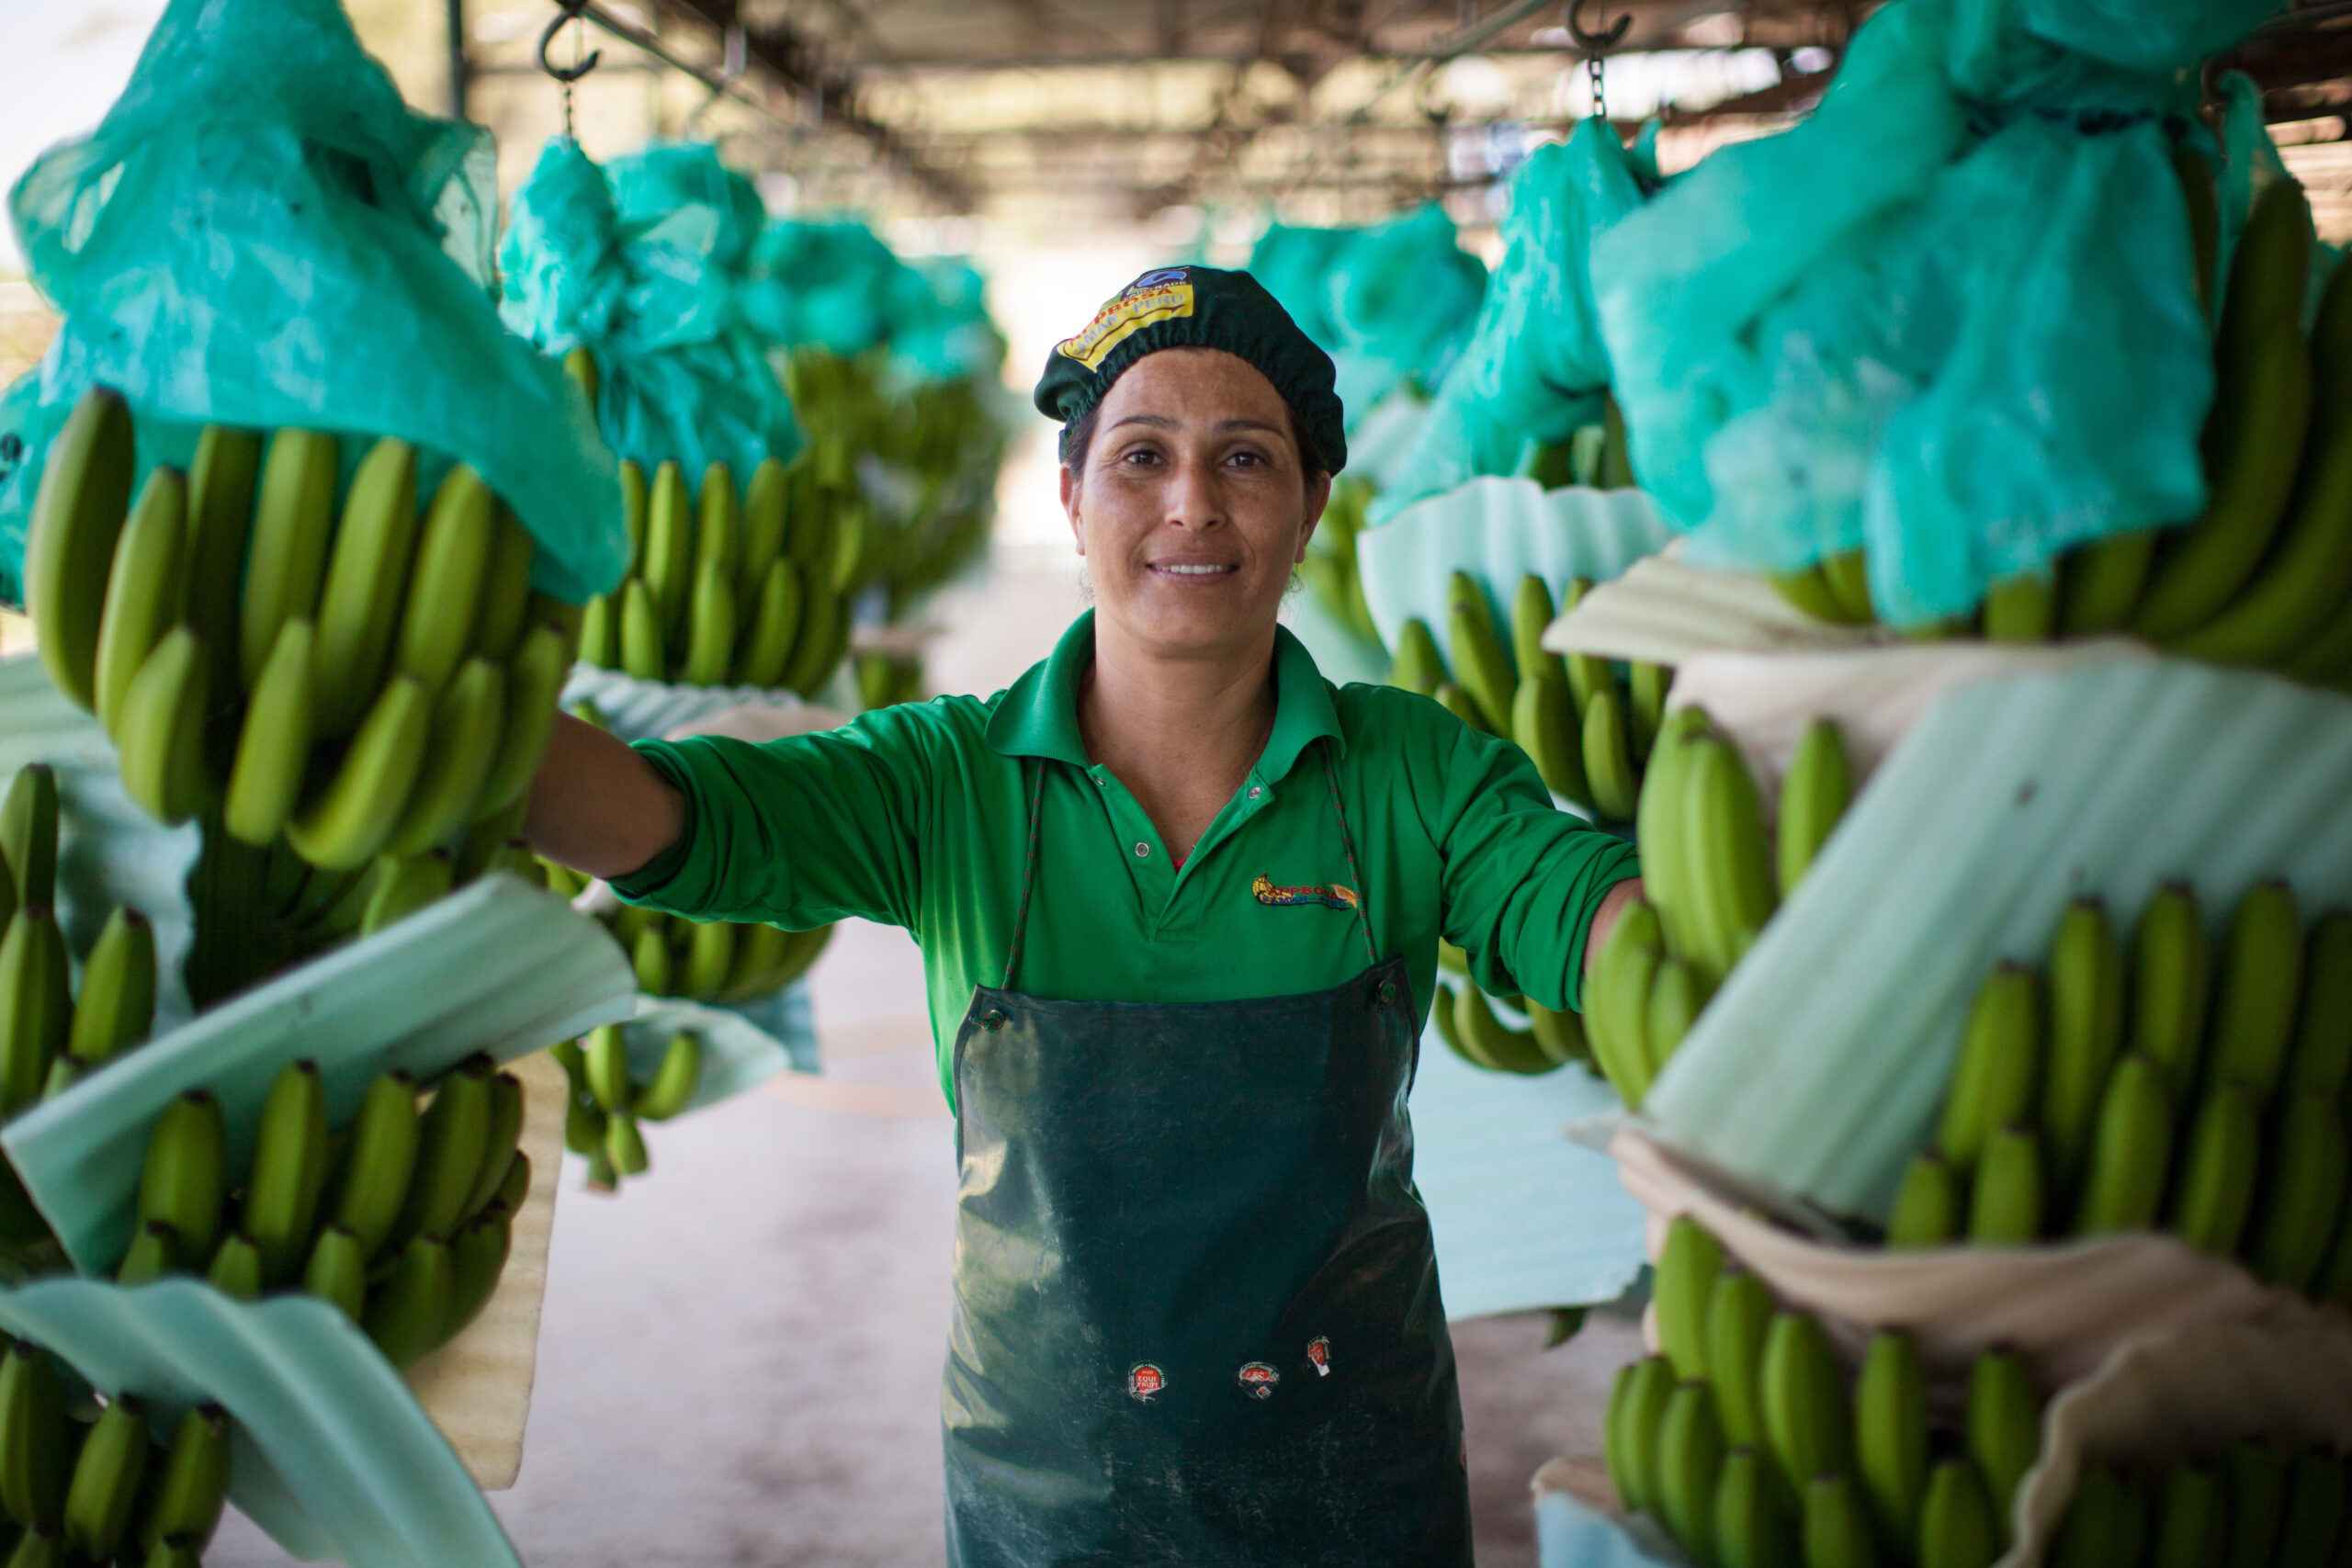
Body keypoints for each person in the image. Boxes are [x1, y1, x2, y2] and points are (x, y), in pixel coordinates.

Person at [526, 265, 1644, 1567]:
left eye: (1244, 456)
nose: (1192, 505)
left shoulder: (1408, 773)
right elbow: (674, 821)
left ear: (1311, 503)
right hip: (1049, 1501)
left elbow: (1581, 913)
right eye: (1140, 458)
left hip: (1359, 1487)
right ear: (1068, 497)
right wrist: (459, 720)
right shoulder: (949, 781)